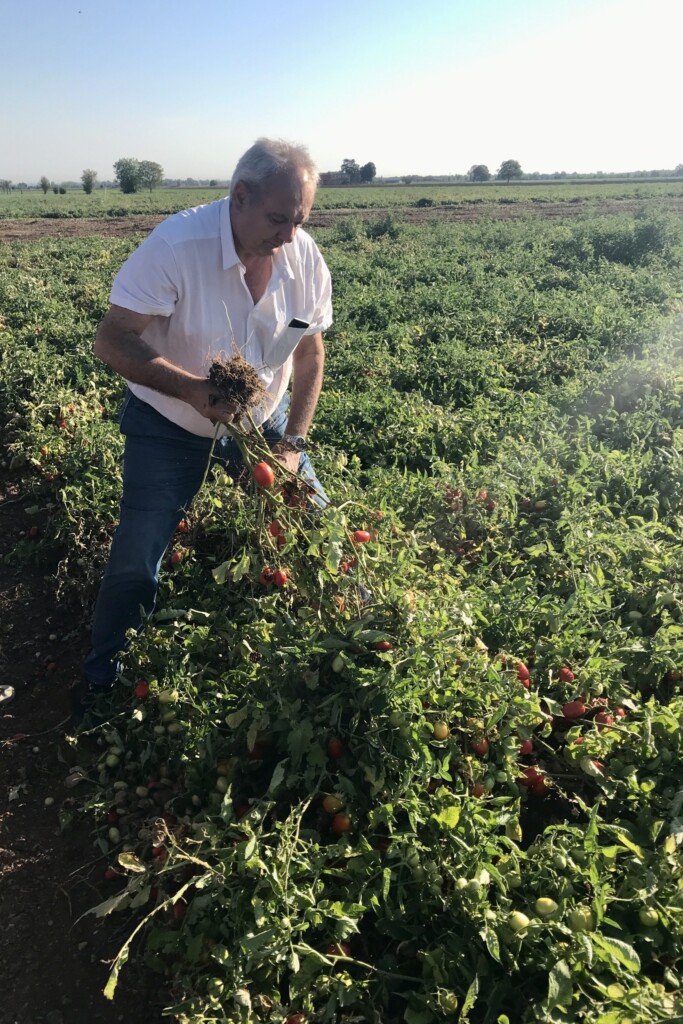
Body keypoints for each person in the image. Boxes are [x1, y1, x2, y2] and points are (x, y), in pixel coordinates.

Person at [76, 138, 333, 708]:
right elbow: (111, 340)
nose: (289, 235)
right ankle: (103, 678)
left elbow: (310, 354)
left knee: (316, 526)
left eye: (300, 220)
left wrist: (292, 442)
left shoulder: (303, 256)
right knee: (140, 552)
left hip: (260, 425)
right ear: (240, 196)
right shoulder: (176, 246)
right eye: (278, 219)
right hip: (168, 421)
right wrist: (192, 390)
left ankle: (347, 647)